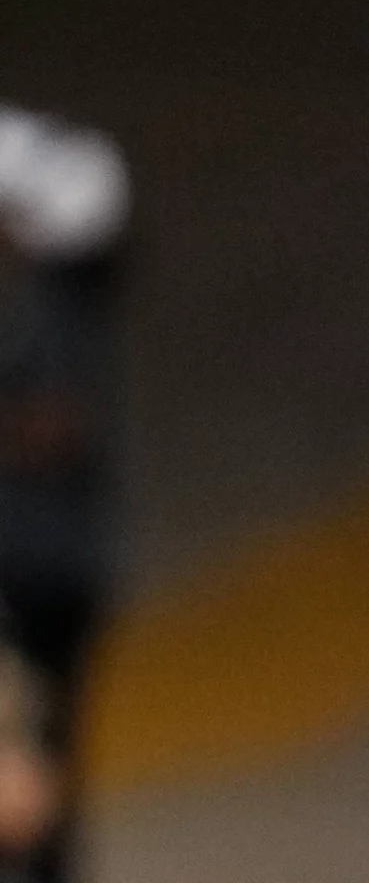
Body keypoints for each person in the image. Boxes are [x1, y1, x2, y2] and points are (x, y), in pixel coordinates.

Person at [0, 104, 129, 883]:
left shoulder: (53, 322)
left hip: (29, 581)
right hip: (49, 575)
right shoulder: (58, 314)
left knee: (28, 783)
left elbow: (51, 425)